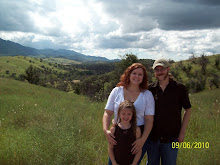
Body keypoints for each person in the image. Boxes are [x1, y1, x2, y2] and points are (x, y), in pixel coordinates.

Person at [102, 63, 155, 165]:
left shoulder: (147, 95)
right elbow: (107, 113)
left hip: (137, 135)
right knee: (114, 162)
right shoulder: (117, 91)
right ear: (128, 74)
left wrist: (142, 140)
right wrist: (106, 130)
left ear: (143, 77)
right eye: (134, 73)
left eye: (140, 74)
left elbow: (149, 119)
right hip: (118, 131)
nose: (137, 76)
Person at [148, 59, 192, 165]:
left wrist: (182, 132)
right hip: (153, 138)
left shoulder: (180, 88)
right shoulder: (150, 89)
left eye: (162, 69)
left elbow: (188, 109)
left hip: (172, 138)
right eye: (156, 70)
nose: (159, 72)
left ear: (168, 69)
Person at [108, 100, 142, 165]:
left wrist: (134, 163)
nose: (126, 117)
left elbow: (139, 150)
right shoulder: (114, 129)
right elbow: (110, 148)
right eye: (123, 114)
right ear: (119, 114)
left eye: (129, 114)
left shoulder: (136, 130)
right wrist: (114, 162)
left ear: (133, 115)